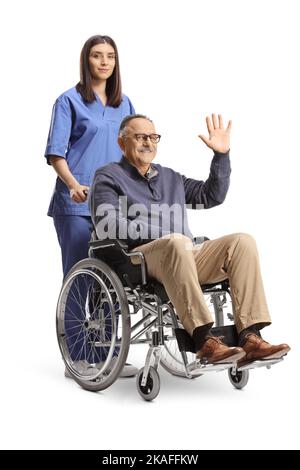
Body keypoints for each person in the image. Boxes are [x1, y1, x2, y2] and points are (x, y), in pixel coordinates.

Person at [89, 113, 290, 366]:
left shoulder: (170, 177)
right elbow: (108, 224)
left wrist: (221, 155)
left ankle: (250, 337)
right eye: (140, 137)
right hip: (139, 259)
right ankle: (205, 340)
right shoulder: (108, 176)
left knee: (242, 242)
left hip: (184, 252)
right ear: (122, 143)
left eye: (153, 137)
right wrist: (162, 233)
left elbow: (211, 195)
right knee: (176, 242)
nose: (148, 143)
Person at [44, 35, 138, 377]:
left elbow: (133, 153)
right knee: (81, 277)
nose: (103, 62)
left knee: (112, 281)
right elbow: (56, 153)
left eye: (110, 56)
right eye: (97, 56)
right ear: (87, 61)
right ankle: (78, 357)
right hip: (76, 205)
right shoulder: (69, 101)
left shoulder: (124, 104)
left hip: (112, 208)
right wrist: (73, 185)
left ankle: (108, 355)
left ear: (116, 62)